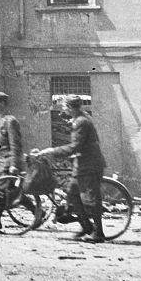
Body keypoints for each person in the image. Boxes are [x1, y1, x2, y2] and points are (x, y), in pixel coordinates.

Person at [39, 95, 106, 243]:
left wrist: (52, 151)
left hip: (89, 166)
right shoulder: (81, 119)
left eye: (64, 106)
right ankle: (86, 226)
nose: (63, 109)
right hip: (82, 165)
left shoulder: (81, 122)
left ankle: (99, 233)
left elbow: (76, 146)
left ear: (70, 107)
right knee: (72, 194)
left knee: (91, 200)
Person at [0, 91, 37, 231]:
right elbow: (2, 145)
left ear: (3, 104)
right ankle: (37, 213)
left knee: (1, 191)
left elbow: (15, 145)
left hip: (9, 162)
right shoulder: (1, 121)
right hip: (2, 162)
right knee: (14, 193)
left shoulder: (10, 121)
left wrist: (14, 165)